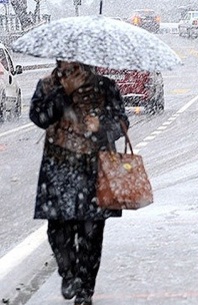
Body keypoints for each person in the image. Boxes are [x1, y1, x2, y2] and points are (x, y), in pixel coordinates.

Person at [29, 60, 129, 305]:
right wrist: (64, 94)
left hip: (94, 171)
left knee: (91, 234)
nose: (69, 63)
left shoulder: (105, 87)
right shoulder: (48, 86)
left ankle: (85, 290)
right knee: (57, 229)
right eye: (65, 59)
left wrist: (102, 126)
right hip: (58, 170)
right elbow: (39, 117)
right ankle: (68, 273)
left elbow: (121, 122)